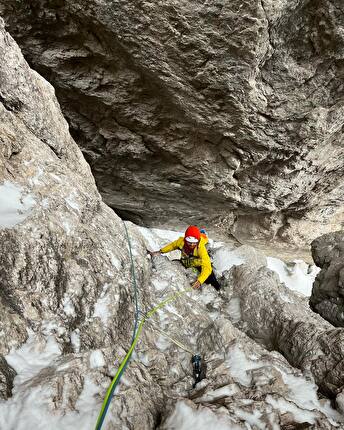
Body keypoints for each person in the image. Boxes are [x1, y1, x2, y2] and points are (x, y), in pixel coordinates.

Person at [148, 226, 221, 291]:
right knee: (184, 261)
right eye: (190, 242)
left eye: (194, 243)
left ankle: (218, 288)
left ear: (198, 241)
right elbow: (172, 246)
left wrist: (199, 281)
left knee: (210, 277)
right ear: (186, 240)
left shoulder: (201, 248)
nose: (192, 245)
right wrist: (160, 251)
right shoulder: (181, 242)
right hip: (188, 259)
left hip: (198, 261)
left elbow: (207, 266)